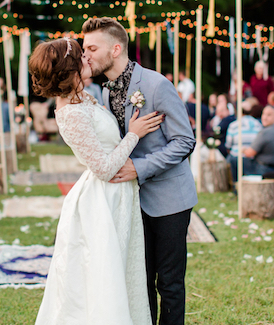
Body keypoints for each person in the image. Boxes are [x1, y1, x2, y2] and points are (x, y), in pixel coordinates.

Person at [29, 34, 164, 325]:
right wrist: (134, 133)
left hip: (118, 196)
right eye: (81, 55)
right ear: (70, 69)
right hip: (102, 201)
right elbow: (103, 168)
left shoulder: (84, 96)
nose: (87, 57)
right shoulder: (71, 113)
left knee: (125, 271)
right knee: (104, 280)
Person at [83, 17, 197, 324]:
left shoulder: (156, 85)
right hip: (131, 201)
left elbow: (186, 141)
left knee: (169, 283)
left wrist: (139, 167)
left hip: (170, 198)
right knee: (139, 281)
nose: (86, 56)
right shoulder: (106, 92)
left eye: (92, 48)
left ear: (116, 48)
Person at [237, 105, 274, 176]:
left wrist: (243, 149)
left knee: (234, 160)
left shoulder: (264, 133)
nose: (265, 117)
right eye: (263, 114)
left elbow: (249, 153)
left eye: (269, 115)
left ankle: (235, 184)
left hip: (264, 169)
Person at [225, 103, 263, 183]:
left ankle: (235, 186)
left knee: (230, 159)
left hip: (236, 158)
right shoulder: (258, 125)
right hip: (253, 158)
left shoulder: (234, 125)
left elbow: (228, 145)